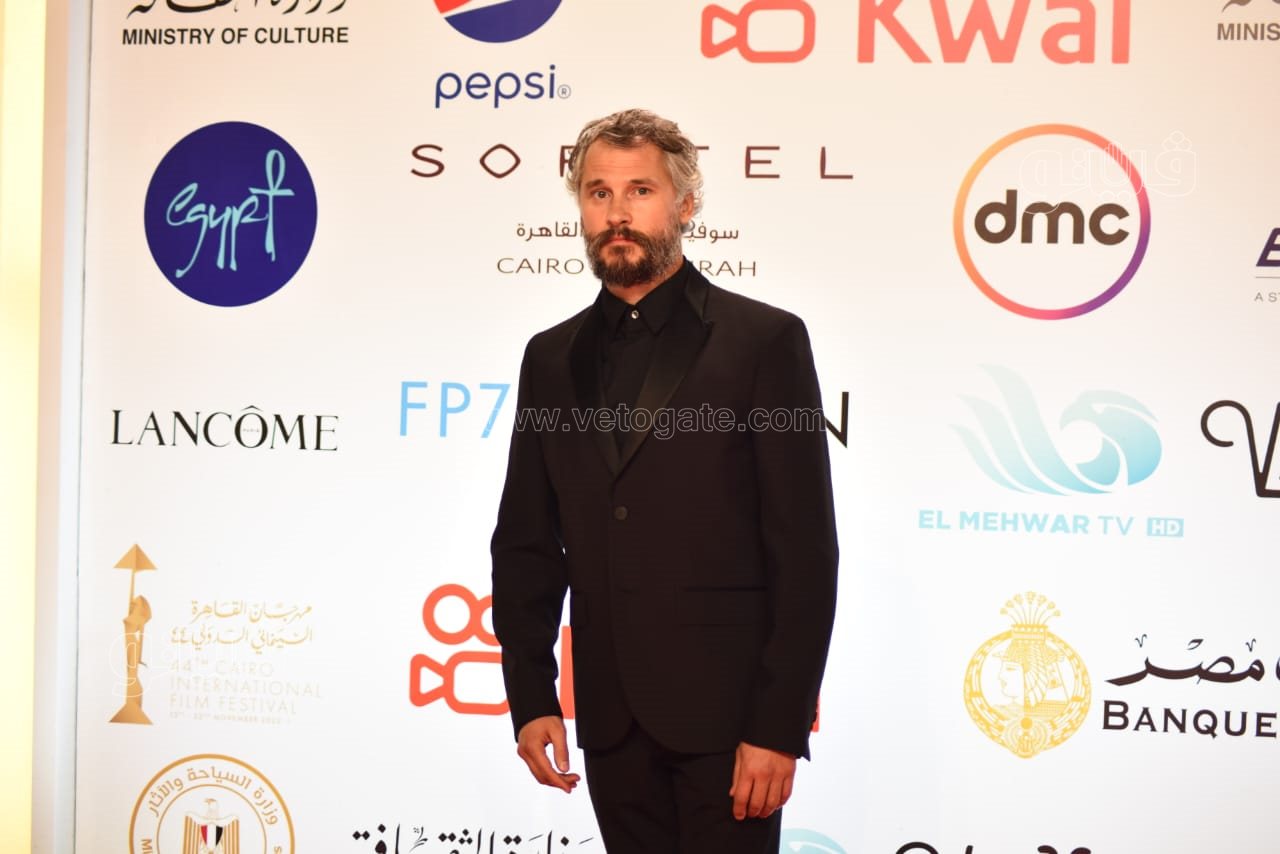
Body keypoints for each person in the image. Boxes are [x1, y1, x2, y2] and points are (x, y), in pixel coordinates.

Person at [491, 108, 838, 854]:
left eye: (640, 191)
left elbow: (805, 552)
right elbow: (525, 544)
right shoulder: (550, 358)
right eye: (599, 193)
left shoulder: (765, 341)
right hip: (610, 724)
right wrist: (532, 696)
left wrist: (778, 727)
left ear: (685, 204)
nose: (617, 213)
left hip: (733, 728)